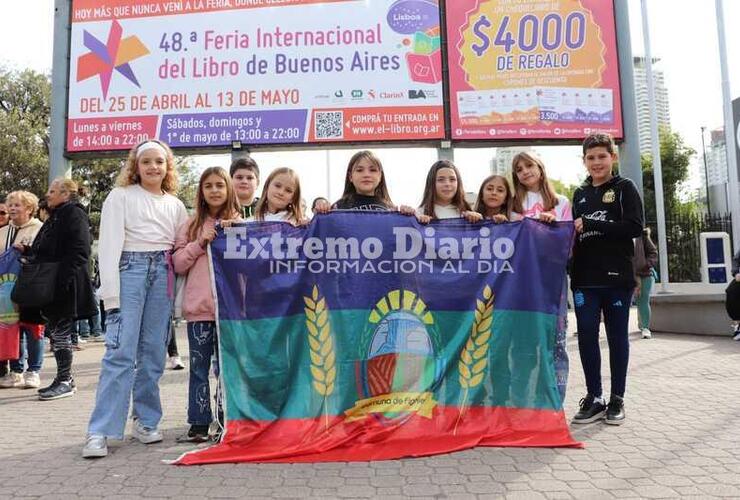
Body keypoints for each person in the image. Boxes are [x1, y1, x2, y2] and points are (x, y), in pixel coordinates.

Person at [83, 140, 188, 458]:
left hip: (162, 272)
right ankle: (100, 430)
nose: (154, 167)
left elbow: (181, 251)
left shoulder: (176, 205)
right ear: (136, 166)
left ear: (168, 166)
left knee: (154, 353)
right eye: (147, 162)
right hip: (130, 269)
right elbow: (110, 245)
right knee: (120, 353)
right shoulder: (121, 196)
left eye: (160, 161)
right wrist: (110, 294)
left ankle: (145, 420)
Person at [570, 133, 644, 426]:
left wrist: (591, 223)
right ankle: (594, 398)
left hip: (617, 277)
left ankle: (617, 399)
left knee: (616, 338)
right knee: (587, 337)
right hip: (584, 278)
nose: (597, 162)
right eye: (591, 158)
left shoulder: (625, 187)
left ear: (613, 157)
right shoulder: (579, 193)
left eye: (602, 156)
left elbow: (634, 227)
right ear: (584, 161)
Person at [174, 166, 241, 442]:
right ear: (201, 191)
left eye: (220, 185)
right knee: (199, 368)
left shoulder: (240, 224)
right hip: (199, 310)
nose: (214, 190)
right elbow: (178, 263)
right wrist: (200, 243)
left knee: (227, 369)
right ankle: (199, 422)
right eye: (208, 185)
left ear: (229, 190)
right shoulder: (189, 225)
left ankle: (227, 418)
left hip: (230, 312)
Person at [511, 151, 572, 404]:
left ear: (540, 166)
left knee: (555, 342)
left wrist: (551, 227)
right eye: (519, 169)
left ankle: (553, 401)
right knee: (522, 344)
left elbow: (568, 245)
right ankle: (520, 402)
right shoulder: (512, 203)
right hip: (520, 282)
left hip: (552, 282)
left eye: (529, 165)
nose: (525, 171)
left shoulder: (560, 202)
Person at [30, 179, 96, 400]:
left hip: (66, 284)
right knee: (57, 332)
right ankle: (63, 378)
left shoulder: (73, 214)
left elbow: (80, 250)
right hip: (55, 283)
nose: (47, 195)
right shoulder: (57, 215)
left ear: (66, 194)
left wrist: (62, 280)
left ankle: (65, 380)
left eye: (52, 191)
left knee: (61, 333)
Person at [0, 191, 44, 389]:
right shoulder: (2, 231)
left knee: (32, 328)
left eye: (18, 205)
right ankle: (16, 371)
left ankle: (33, 370)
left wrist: (26, 251)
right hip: (6, 288)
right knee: (12, 327)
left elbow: (45, 254)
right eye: (11, 205)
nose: (12, 208)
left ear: (29, 208)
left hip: (31, 286)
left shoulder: (39, 229)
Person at [416, 160, 482, 223]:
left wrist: (479, 219)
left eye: (452, 179)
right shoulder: (419, 214)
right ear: (431, 183)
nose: (447, 184)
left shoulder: (469, 214)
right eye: (441, 180)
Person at [633, 228, 658, 339]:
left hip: (644, 274)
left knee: (643, 300)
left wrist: (646, 264)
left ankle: (645, 327)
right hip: (626, 274)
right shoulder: (619, 234)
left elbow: (653, 252)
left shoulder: (641, 236)